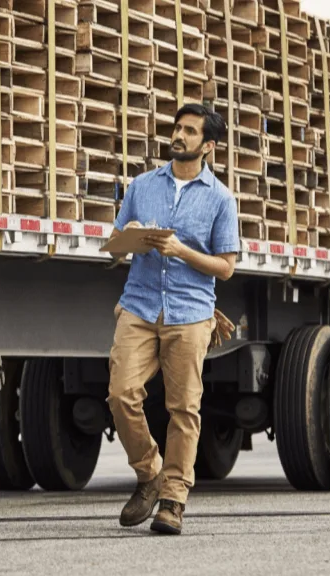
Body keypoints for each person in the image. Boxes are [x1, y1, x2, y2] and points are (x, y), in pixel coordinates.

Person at [106, 103, 240, 535]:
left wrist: (180, 250)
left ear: (209, 146)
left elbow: (226, 266)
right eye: (177, 128)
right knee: (120, 393)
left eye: (189, 131)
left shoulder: (220, 199)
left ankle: (173, 501)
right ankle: (150, 473)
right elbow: (114, 243)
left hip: (190, 312)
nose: (178, 136)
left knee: (184, 408)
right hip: (140, 305)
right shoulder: (142, 185)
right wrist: (133, 239)